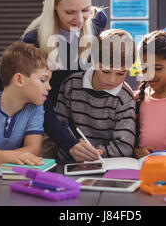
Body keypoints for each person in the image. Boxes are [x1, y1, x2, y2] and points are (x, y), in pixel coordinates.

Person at [22, 0, 107, 161]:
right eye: (70, 12)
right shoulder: (33, 41)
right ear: (54, 5)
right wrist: (69, 143)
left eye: (85, 9)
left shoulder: (98, 22)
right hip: (49, 124)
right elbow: (41, 104)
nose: (79, 19)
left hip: (86, 119)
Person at [53, 29, 136, 159]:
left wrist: (92, 154)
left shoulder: (125, 98)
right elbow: (58, 128)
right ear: (93, 62)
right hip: (70, 161)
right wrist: (72, 146)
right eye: (106, 71)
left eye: (121, 73)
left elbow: (124, 147)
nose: (112, 80)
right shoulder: (71, 85)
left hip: (108, 164)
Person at [134, 30, 166, 159]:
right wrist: (136, 151)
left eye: (157, 68)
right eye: (145, 68)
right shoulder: (136, 98)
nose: (150, 74)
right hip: (144, 167)